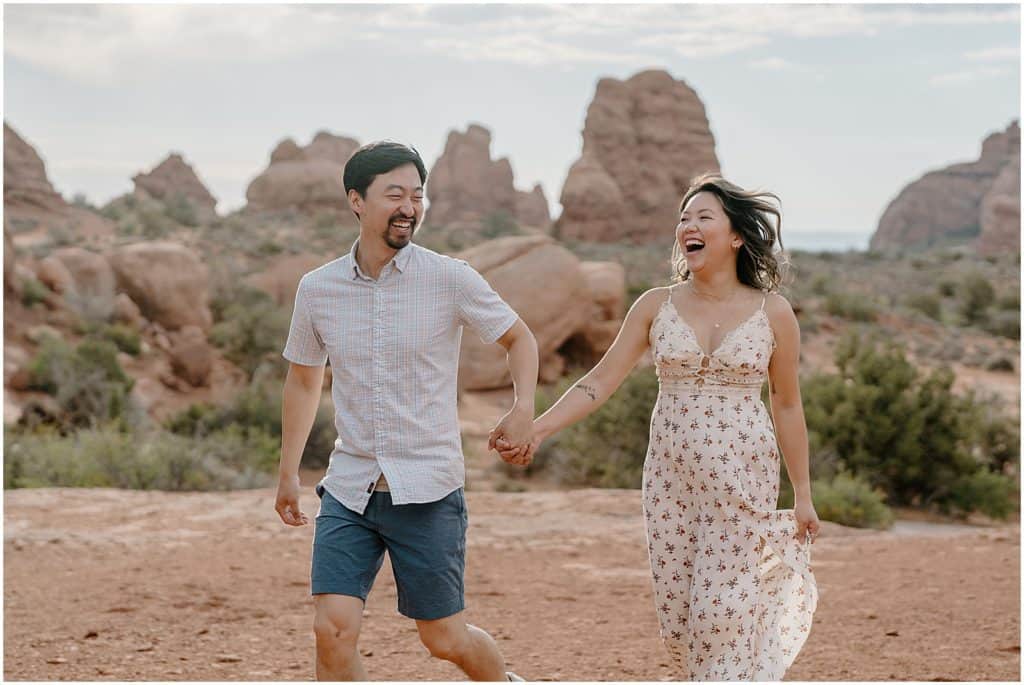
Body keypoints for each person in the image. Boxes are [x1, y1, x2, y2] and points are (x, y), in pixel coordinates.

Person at [497, 173, 819, 680]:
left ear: (736, 235)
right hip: (670, 484)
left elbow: (787, 404)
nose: (688, 226)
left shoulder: (773, 312)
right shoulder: (654, 306)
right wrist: (537, 428)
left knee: (721, 611)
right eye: (683, 219)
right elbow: (599, 381)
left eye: (703, 217)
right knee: (682, 615)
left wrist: (801, 493)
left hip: (742, 479)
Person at [275, 140, 538, 682]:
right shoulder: (318, 288)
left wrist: (523, 408)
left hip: (428, 489)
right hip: (350, 487)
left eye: (417, 195)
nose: (409, 207)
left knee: (444, 639)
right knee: (332, 628)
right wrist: (287, 474)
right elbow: (304, 380)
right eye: (394, 194)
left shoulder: (449, 277)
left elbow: (520, 338)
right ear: (356, 200)